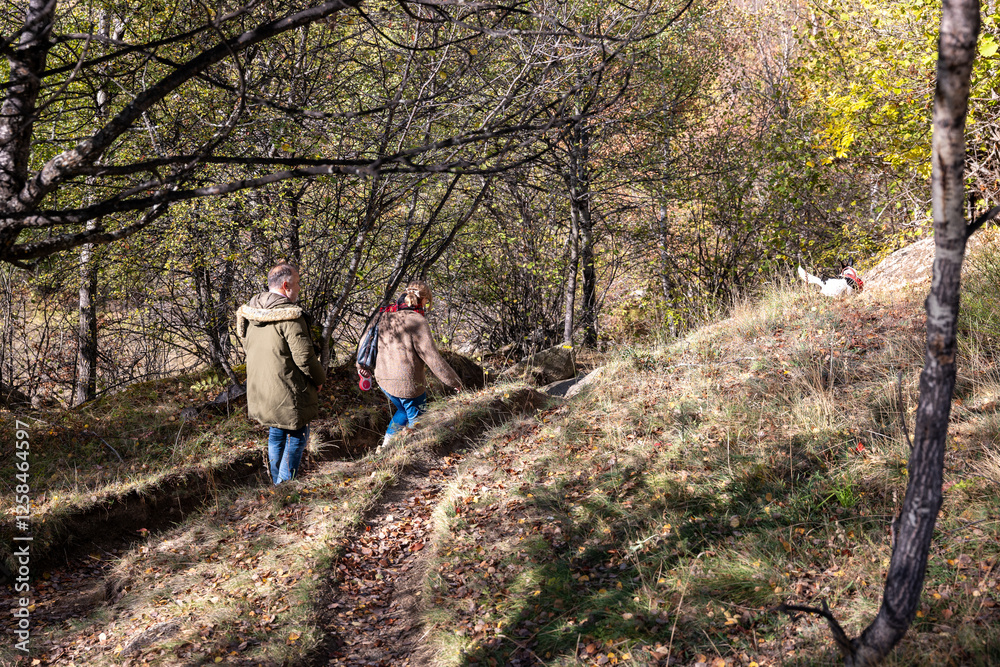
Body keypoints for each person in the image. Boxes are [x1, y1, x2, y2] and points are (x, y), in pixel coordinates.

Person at [237, 264, 325, 485]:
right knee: (297, 434)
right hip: (289, 390)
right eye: (297, 283)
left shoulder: (251, 312)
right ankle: (285, 486)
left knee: (276, 432)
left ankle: (277, 483)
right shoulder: (291, 317)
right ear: (286, 285)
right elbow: (305, 357)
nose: (299, 289)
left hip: (262, 391)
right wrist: (320, 380)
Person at [358, 281, 463, 445]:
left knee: (403, 410)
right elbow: (432, 357)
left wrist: (361, 367)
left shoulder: (383, 313)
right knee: (418, 420)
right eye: (427, 302)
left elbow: (364, 341)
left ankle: (386, 446)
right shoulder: (416, 321)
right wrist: (453, 381)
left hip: (384, 380)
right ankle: (412, 454)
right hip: (408, 385)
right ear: (424, 300)